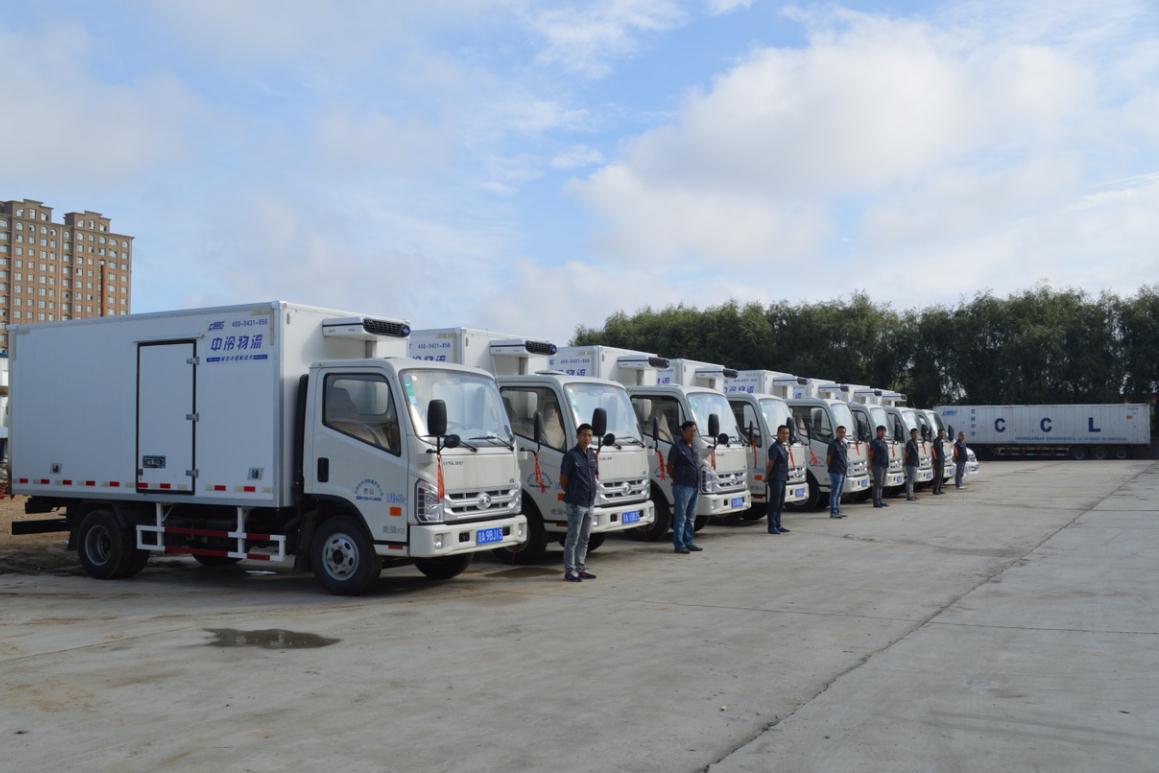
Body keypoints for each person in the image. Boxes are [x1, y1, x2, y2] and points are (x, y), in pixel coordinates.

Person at [559, 423, 598, 582]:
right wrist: (573, 493)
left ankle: (580, 567)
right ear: (578, 436)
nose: (587, 438)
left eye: (590, 435)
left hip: (589, 503)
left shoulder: (591, 455)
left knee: (585, 537)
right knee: (573, 538)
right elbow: (563, 480)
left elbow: (594, 476)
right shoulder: (571, 456)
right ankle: (570, 570)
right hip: (576, 503)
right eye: (584, 435)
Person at [667, 421, 702, 554]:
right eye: (691, 430)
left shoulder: (694, 446)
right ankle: (679, 544)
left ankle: (688, 541)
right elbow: (670, 466)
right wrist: (676, 478)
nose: (694, 433)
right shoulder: (677, 447)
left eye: (695, 430)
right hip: (682, 486)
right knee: (681, 517)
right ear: (684, 431)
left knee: (691, 517)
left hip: (694, 486)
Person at [765, 424, 791, 534]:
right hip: (775, 478)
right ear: (778, 434)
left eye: (787, 433)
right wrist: (766, 476)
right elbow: (770, 464)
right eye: (783, 433)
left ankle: (778, 524)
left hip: (783, 477)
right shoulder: (774, 447)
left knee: (780, 502)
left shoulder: (783, 447)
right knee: (774, 502)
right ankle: (772, 526)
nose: (786, 436)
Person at [826, 425, 848, 518]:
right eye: (840, 432)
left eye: (843, 432)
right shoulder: (833, 444)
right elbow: (828, 459)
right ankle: (833, 511)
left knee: (840, 492)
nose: (842, 434)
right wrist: (831, 468)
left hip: (842, 471)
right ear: (837, 433)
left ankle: (838, 510)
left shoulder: (843, 444)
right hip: (835, 471)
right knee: (834, 492)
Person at [868, 425, 890, 508]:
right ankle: (876, 501)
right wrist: (870, 463)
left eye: (884, 431)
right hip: (877, 465)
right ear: (877, 432)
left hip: (884, 465)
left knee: (881, 484)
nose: (883, 433)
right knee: (877, 484)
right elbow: (871, 454)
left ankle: (880, 500)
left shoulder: (883, 442)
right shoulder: (875, 442)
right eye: (881, 431)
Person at [904, 428, 921, 501]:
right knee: (910, 480)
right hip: (910, 464)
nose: (916, 435)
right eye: (914, 433)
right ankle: (909, 495)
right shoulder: (910, 443)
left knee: (913, 480)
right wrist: (906, 461)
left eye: (917, 433)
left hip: (915, 463)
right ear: (911, 435)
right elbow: (907, 454)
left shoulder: (915, 443)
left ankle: (912, 494)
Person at [930, 429, 947, 495]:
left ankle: (939, 489)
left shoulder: (941, 441)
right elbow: (933, 450)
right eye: (941, 433)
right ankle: (935, 490)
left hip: (941, 460)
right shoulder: (936, 441)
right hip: (938, 461)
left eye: (943, 433)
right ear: (938, 434)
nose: (943, 435)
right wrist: (935, 458)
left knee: (941, 475)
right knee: (938, 476)